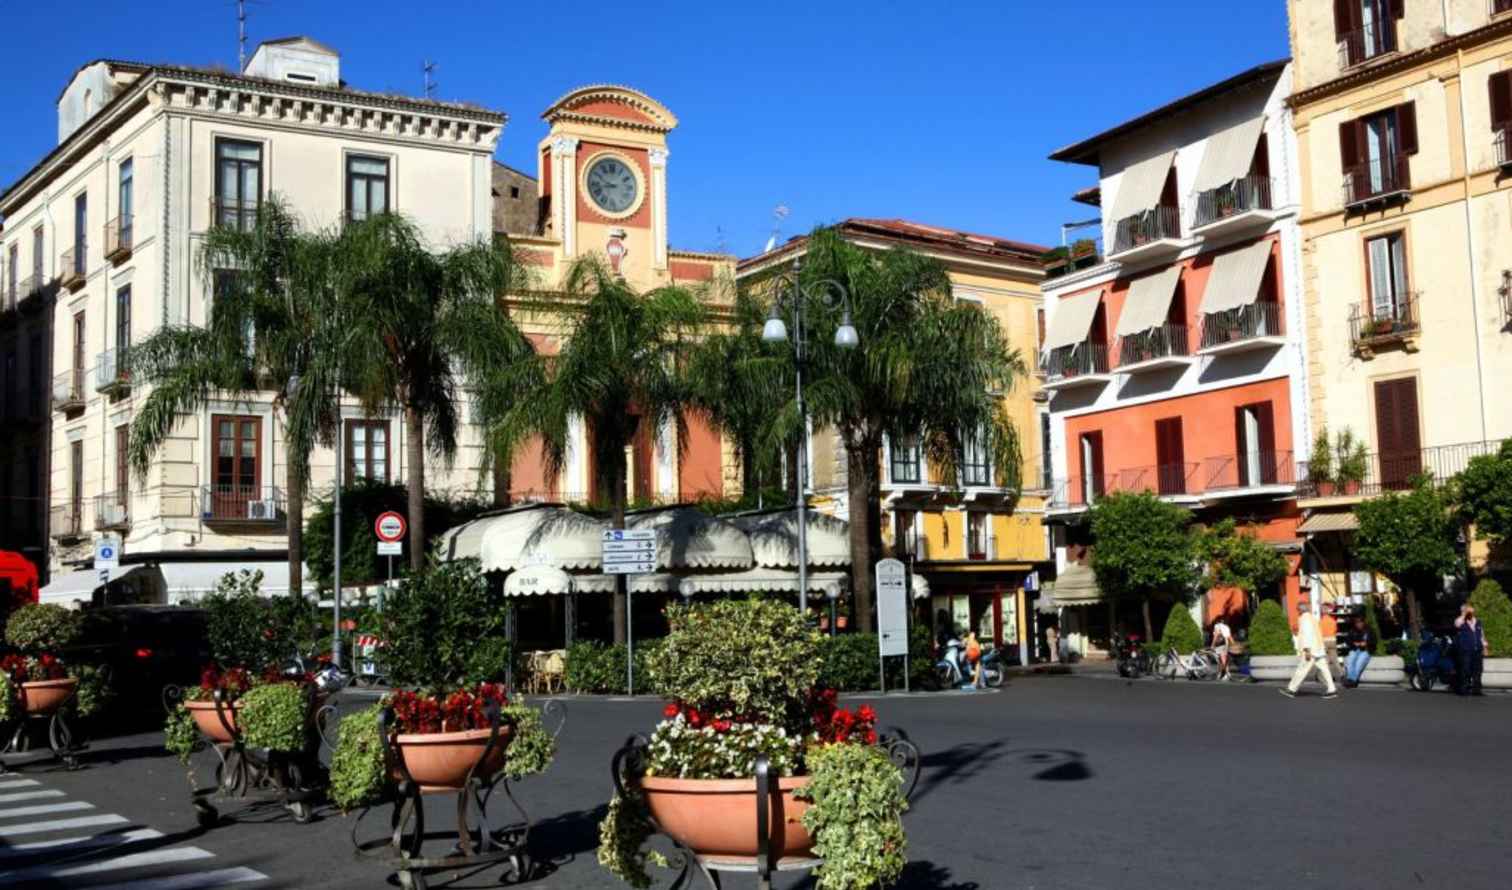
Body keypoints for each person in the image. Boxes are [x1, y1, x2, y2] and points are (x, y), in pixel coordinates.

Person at [1281, 595, 1338, 699]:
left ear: (1299, 610)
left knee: (1302, 669)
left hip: (1311, 650)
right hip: (1319, 648)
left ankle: (1291, 689)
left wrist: (1306, 650)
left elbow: (1306, 634)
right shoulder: (1313, 618)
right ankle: (1332, 689)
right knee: (1325, 669)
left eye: (1297, 610)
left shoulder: (1304, 619)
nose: (1297, 611)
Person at [1454, 603, 1488, 696]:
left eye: (1472, 610)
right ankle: (1464, 689)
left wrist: (1485, 647)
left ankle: (1477, 690)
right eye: (1469, 610)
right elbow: (1457, 624)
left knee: (1478, 670)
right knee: (1466, 669)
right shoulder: (1460, 621)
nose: (1471, 612)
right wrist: (1464, 613)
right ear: (1464, 611)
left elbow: (1482, 636)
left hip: (1477, 650)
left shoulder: (1478, 622)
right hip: (1466, 649)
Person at [1342, 614, 1376, 688]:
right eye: (1357, 622)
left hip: (1366, 650)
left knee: (1359, 663)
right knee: (1350, 661)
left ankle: (1352, 680)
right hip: (1355, 649)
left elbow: (1374, 642)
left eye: (1360, 622)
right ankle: (1352, 681)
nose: (1358, 624)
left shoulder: (1370, 630)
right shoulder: (1352, 630)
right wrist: (1354, 643)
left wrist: (1366, 643)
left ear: (1363, 622)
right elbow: (1347, 641)